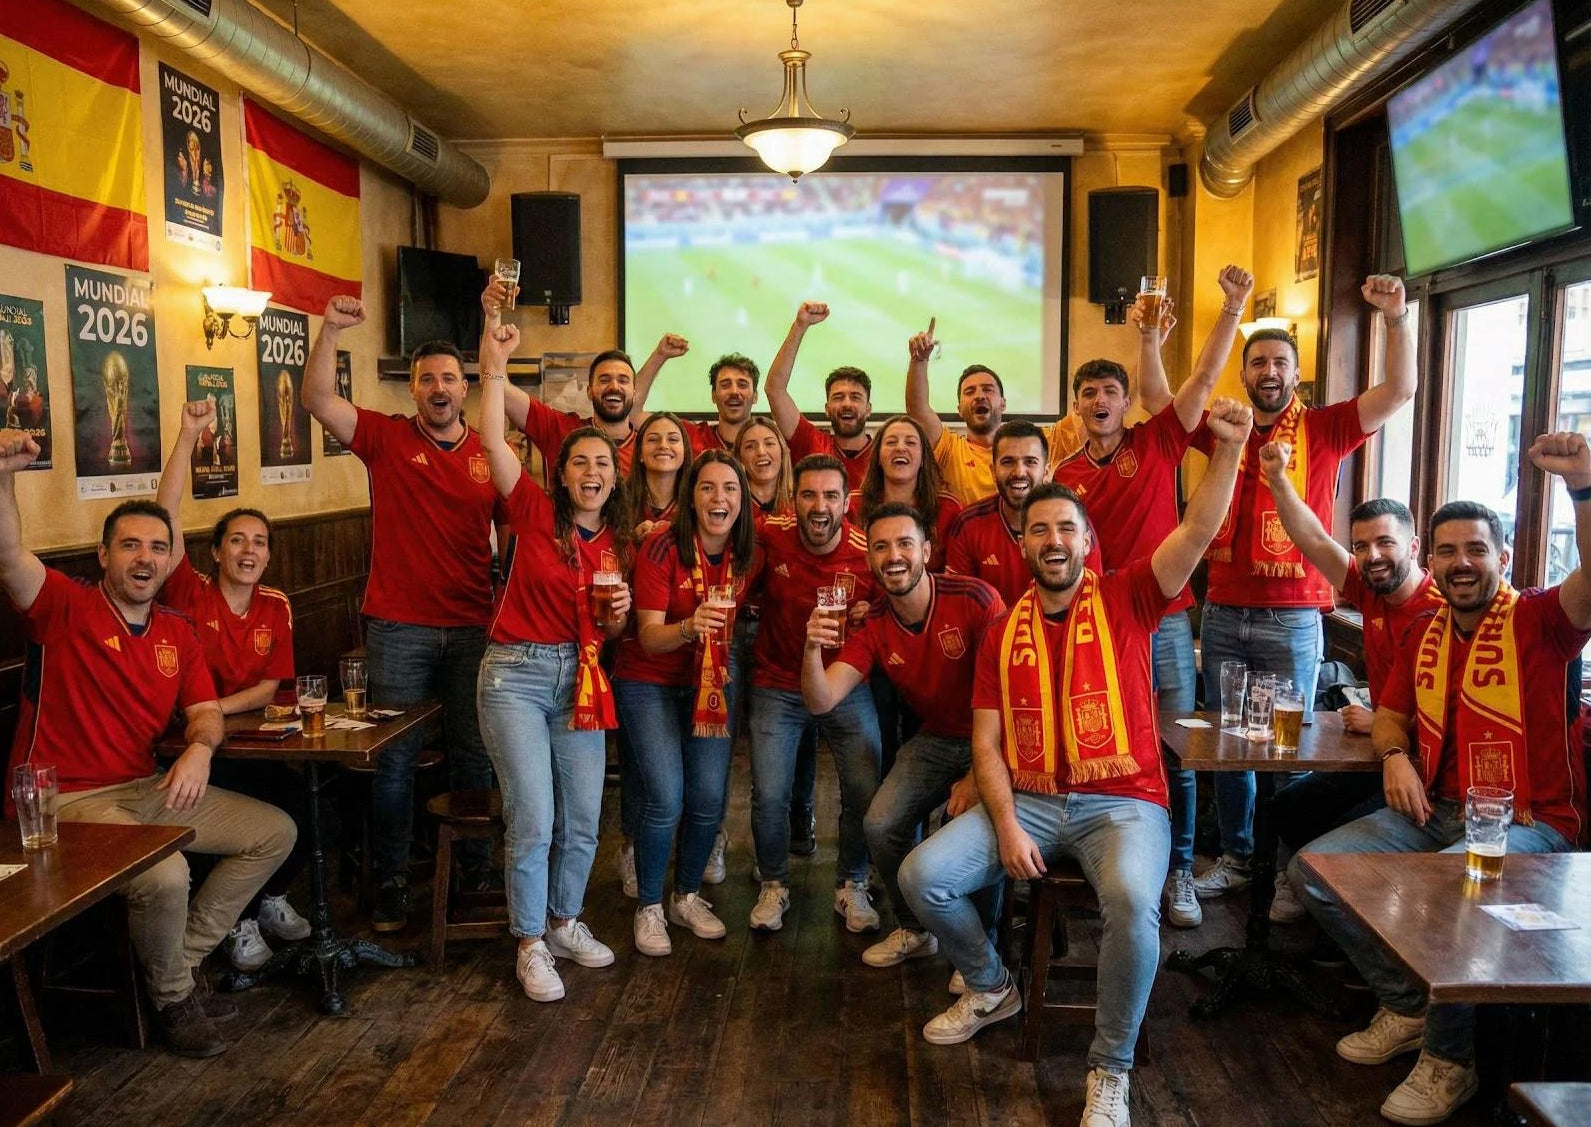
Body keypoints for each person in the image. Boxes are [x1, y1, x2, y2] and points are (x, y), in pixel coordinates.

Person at [895, 399, 1251, 1127]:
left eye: (1066, 528)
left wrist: (1228, 450)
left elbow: (1197, 529)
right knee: (919, 876)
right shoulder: (1001, 630)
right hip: (1028, 798)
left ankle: (1108, 1068)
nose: (1052, 540)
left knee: (1128, 901)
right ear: (1020, 541)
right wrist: (1003, 823)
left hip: (1122, 802)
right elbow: (986, 743)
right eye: (1038, 530)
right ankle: (992, 985)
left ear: (1087, 540)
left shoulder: (1131, 596)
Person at [1289, 433, 1591, 1127]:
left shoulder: (1542, 621)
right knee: (1315, 870)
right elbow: (1390, 717)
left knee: (1453, 894)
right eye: (1447, 551)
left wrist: (1580, 487)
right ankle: (1406, 1005)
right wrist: (1394, 757)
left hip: (1530, 823)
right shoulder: (1425, 630)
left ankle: (1449, 1061)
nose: (1461, 564)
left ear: (1503, 558)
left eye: (1476, 550)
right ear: (1430, 561)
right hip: (1437, 807)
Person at [0, 430, 296, 1059]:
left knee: (274, 831)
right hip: (67, 804)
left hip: (146, 788)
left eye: (158, 548)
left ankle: (173, 969)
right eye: (130, 545)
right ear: (101, 555)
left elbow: (207, 713)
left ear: (170, 561)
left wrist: (199, 748)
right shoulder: (64, 608)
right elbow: (6, 554)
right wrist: (3, 474)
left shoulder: (177, 631)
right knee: (165, 873)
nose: (145, 558)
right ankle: (172, 996)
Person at [1192, 275, 1417, 906]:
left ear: (1297, 374)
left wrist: (1398, 318)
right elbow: (1167, 402)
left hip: (1294, 618)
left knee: (1290, 747)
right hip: (1224, 611)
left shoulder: (1326, 427)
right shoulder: (1223, 428)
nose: (1269, 370)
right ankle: (1239, 856)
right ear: (1244, 374)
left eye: (1280, 362)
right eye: (1258, 361)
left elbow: (1400, 390)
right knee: (1231, 744)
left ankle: (1289, 867)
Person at [1051, 265, 1250, 930]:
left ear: (1123, 399)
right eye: (1089, 392)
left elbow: (1196, 381)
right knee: (1106, 742)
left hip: (1162, 621)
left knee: (1173, 750)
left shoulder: (1157, 439)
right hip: (1097, 628)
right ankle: (1109, 861)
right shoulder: (1064, 476)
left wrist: (1230, 309)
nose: (1100, 399)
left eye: (1110, 390)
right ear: (1076, 407)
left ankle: (1178, 876)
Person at [304, 296, 504, 932]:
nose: (439, 388)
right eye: (427, 379)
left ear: (466, 387)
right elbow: (316, 400)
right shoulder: (386, 438)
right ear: (413, 390)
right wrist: (331, 328)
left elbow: (518, 533)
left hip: (474, 627)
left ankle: (474, 870)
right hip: (398, 630)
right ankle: (391, 884)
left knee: (475, 757)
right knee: (392, 762)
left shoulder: (489, 454)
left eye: (449, 377)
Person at [473, 321, 633, 1002]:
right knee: (533, 815)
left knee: (584, 815)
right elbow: (489, 436)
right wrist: (495, 362)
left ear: (612, 476)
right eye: (579, 463)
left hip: (583, 678)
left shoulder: (621, 544)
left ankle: (566, 919)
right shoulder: (532, 508)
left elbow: (613, 630)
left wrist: (619, 616)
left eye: (601, 464)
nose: (591, 472)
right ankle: (529, 941)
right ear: (561, 473)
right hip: (514, 675)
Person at [801, 503, 1004, 968]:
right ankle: (917, 928)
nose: (894, 556)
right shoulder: (872, 621)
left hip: (994, 738)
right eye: (881, 546)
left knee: (976, 822)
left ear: (927, 551)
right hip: (936, 739)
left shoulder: (976, 598)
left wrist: (979, 773)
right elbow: (822, 699)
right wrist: (812, 648)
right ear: (870, 560)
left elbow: (1014, 695)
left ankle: (983, 947)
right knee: (880, 823)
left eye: (905, 543)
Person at [155, 401, 311, 971]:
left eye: (260, 543)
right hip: (194, 746)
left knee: (311, 811)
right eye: (238, 541)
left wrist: (216, 704)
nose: (250, 551)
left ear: (269, 556)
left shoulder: (276, 605)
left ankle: (268, 899)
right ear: (215, 551)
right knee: (238, 813)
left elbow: (272, 687)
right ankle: (239, 922)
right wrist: (188, 434)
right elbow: (163, 514)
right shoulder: (189, 593)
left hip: (255, 738)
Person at [1261, 450, 1443, 925]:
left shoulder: (1443, 610)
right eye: (1362, 546)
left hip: (1428, 773)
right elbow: (1312, 538)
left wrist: (1387, 723)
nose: (1372, 556)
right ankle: (1314, 916)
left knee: (1330, 842)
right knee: (1287, 806)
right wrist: (1278, 479)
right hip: (1386, 749)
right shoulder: (1369, 590)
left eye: (1385, 543)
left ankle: (1338, 923)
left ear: (1415, 546)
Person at [617, 451, 760, 956]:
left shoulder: (749, 552)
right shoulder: (661, 546)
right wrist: (688, 626)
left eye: (729, 490)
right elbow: (649, 637)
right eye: (707, 488)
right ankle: (650, 907)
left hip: (713, 676)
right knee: (666, 795)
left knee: (707, 795)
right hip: (648, 679)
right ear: (690, 496)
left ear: (742, 501)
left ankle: (687, 896)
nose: (718, 499)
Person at [747, 454, 881, 933]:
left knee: (864, 786)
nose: (819, 505)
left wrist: (874, 608)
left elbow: (898, 604)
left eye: (830, 496)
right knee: (768, 794)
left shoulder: (869, 551)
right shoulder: (771, 534)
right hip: (778, 682)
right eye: (809, 495)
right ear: (793, 499)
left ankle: (852, 884)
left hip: (845, 683)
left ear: (847, 502)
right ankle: (773, 884)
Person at [904, 311, 1175, 506]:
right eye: (970, 392)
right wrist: (919, 361)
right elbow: (918, 409)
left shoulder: (1041, 442)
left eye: (988, 390)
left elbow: (1109, 400)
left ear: (1003, 403)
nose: (979, 396)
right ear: (959, 408)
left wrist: (1152, 345)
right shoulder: (950, 449)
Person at [487, 273, 689, 475]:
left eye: (623, 380)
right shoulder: (562, 431)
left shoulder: (650, 450)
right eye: (604, 379)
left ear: (635, 393)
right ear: (590, 391)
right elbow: (498, 388)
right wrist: (493, 316)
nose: (614, 386)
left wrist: (659, 356)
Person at [734, 416, 819, 857]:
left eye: (770, 443)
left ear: (784, 453)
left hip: (786, 632)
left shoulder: (800, 502)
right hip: (735, 628)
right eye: (750, 445)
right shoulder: (729, 500)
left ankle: (801, 814)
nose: (761, 452)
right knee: (736, 731)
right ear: (739, 456)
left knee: (799, 727)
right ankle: (732, 833)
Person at [764, 301, 875, 487]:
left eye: (855, 397)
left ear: (868, 409)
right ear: (827, 408)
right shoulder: (811, 443)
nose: (847, 403)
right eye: (838, 397)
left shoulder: (884, 454)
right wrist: (800, 326)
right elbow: (774, 389)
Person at [851, 414, 961, 574]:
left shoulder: (948, 509)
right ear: (878, 458)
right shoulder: (852, 505)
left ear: (923, 458)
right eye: (890, 442)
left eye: (910, 443)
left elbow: (953, 579)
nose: (900, 448)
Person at [644, 353, 762, 455]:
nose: (734, 392)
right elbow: (635, 414)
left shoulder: (767, 445)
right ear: (713, 396)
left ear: (755, 396)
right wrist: (660, 355)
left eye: (742, 385)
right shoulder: (691, 436)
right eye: (725, 385)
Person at [626, 411, 693, 540]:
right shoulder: (619, 500)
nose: (663, 445)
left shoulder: (696, 502)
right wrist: (632, 541)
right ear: (639, 452)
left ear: (684, 450)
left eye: (673, 439)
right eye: (653, 439)